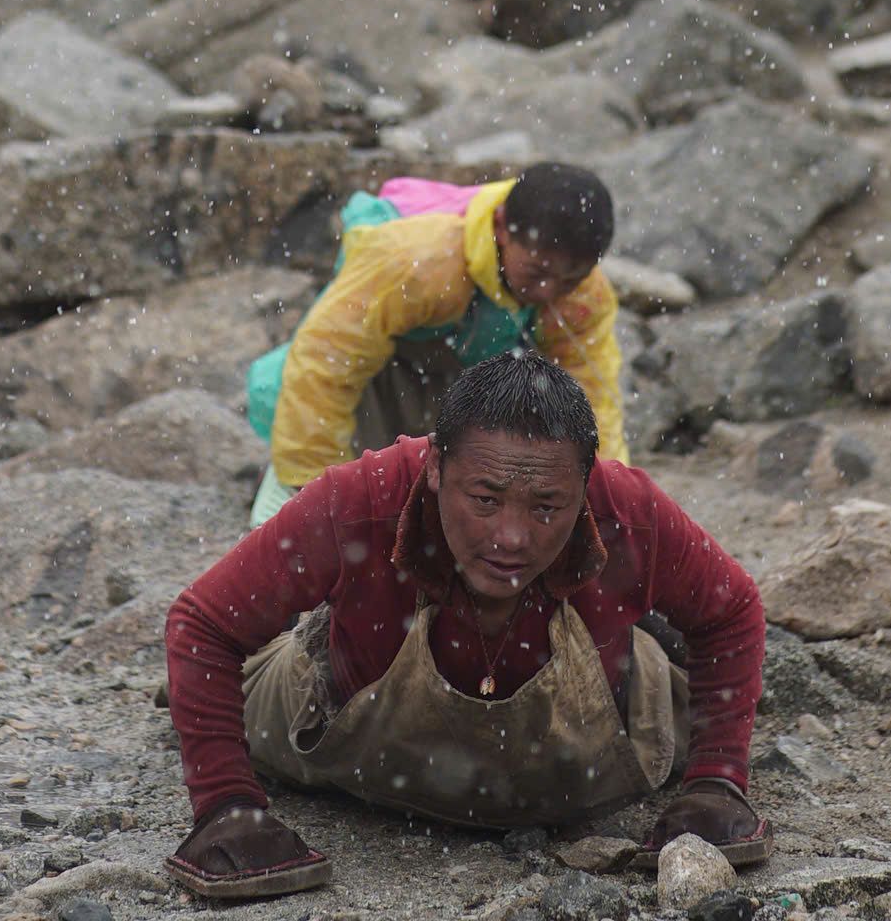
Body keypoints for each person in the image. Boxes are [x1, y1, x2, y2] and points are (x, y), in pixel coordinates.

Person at [166, 350, 770, 900]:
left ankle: (646, 636)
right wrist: (226, 805)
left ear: (585, 487)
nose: (511, 537)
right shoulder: (360, 499)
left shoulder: (628, 512)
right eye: (485, 500)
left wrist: (716, 781)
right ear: (434, 467)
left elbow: (733, 611)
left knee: (672, 673)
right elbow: (202, 623)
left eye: (546, 507)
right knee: (210, 681)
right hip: (328, 715)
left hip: (602, 727)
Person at [247, 165, 626, 524]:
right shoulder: (421, 261)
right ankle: (285, 483)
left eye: (570, 280)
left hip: (461, 374)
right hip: (384, 375)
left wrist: (603, 501)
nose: (548, 292)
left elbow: (593, 397)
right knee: (358, 487)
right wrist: (313, 485)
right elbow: (326, 361)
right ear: (501, 227)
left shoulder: (582, 294)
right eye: (537, 272)